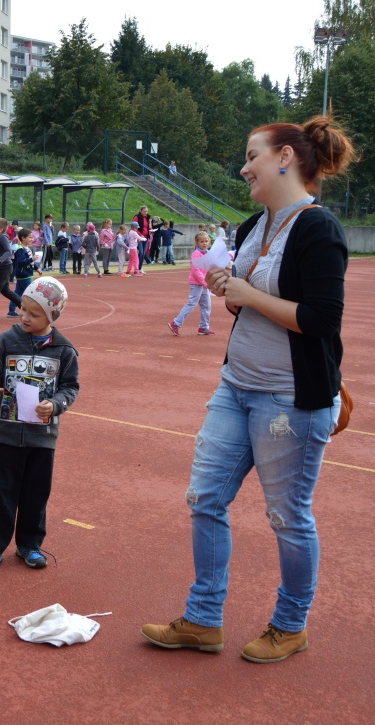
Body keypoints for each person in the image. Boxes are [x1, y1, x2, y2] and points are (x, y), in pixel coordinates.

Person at [142, 116, 355, 664]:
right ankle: (203, 619)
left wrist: (248, 295)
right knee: (205, 498)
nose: (243, 168)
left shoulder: (318, 228)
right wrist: (228, 293)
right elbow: (247, 305)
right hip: (235, 387)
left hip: (290, 400)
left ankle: (291, 625)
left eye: (251, 156)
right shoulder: (251, 227)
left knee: (288, 516)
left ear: (284, 158)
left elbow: (322, 319)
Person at [0, 277, 79, 575]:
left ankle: (30, 544)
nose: (24, 317)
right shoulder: (6, 341)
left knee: (36, 494)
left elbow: (71, 387)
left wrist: (55, 404)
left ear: (52, 316)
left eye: (34, 314)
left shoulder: (64, 350)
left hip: (42, 437)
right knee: (1, 494)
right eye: (23, 310)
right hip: (6, 434)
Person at [166, 232, 214, 336]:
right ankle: (176, 323)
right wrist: (204, 282)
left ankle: (203, 327)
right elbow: (196, 270)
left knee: (206, 306)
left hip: (203, 284)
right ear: (197, 243)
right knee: (192, 303)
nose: (204, 243)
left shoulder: (207, 253)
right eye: (202, 241)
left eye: (206, 241)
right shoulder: (196, 254)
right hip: (197, 284)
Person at [7, 228, 36, 318]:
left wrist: (37, 268)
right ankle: (32, 311)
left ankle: (11, 310)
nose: (31, 239)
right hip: (24, 275)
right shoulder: (20, 250)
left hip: (25, 274)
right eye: (30, 237)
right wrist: (32, 259)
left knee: (17, 294)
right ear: (23, 238)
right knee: (32, 292)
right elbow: (20, 262)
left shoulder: (27, 249)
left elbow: (30, 262)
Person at [133, 206, 151, 270]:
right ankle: (137, 267)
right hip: (139, 237)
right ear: (140, 211)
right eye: (144, 211)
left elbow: (148, 227)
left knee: (143, 253)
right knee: (141, 252)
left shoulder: (148, 217)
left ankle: (139, 268)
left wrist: (151, 230)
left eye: (147, 211)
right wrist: (140, 235)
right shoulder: (137, 217)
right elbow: (134, 228)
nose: (146, 212)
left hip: (145, 237)